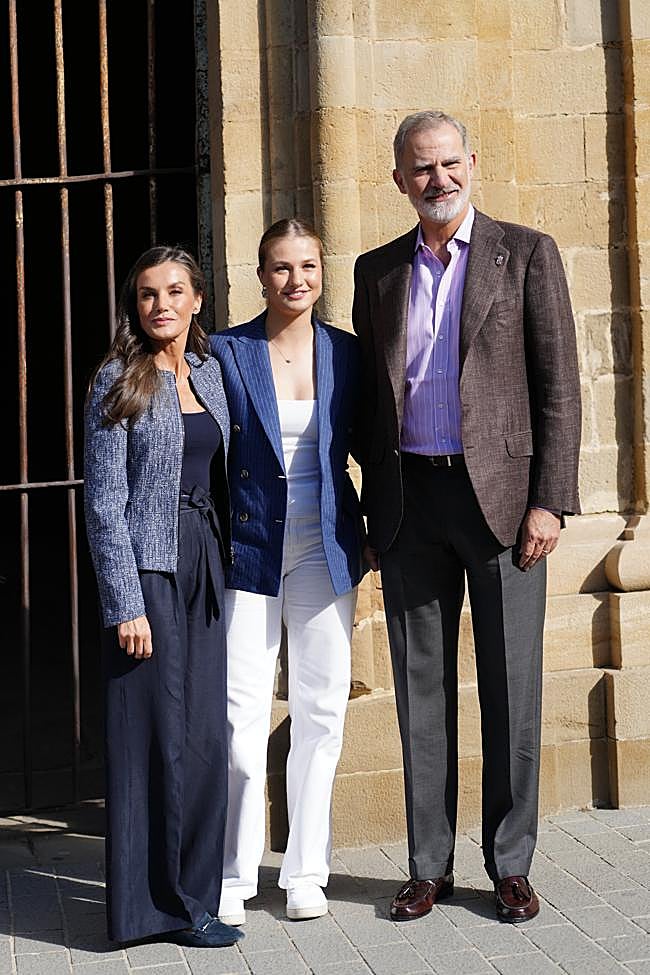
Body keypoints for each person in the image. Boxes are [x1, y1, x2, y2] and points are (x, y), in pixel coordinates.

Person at [352, 112, 581, 924]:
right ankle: (427, 865)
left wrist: (550, 499)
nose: (437, 178)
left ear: (472, 164)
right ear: (399, 180)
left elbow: (559, 386)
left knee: (511, 688)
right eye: (421, 168)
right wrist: (371, 508)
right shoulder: (376, 271)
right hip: (414, 502)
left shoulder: (526, 253)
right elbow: (374, 402)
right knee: (421, 690)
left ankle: (510, 863)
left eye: (449, 163)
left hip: (506, 507)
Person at [84, 245, 243, 948]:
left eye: (175, 291)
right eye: (148, 294)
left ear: (197, 298)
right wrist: (125, 603)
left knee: (205, 734)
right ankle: (152, 907)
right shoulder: (117, 379)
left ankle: (197, 893)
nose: (161, 305)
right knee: (151, 738)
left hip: (203, 560)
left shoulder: (210, 370)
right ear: (135, 304)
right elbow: (104, 501)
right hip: (148, 568)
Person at [210, 218, 363, 924]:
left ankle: (306, 871)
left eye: (306, 265)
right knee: (241, 714)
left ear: (322, 269)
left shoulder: (345, 353)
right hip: (247, 551)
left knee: (321, 710)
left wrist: (381, 533)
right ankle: (236, 875)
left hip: (325, 548)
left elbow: (376, 447)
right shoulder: (226, 351)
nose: (295, 280)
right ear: (260, 274)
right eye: (280, 267)